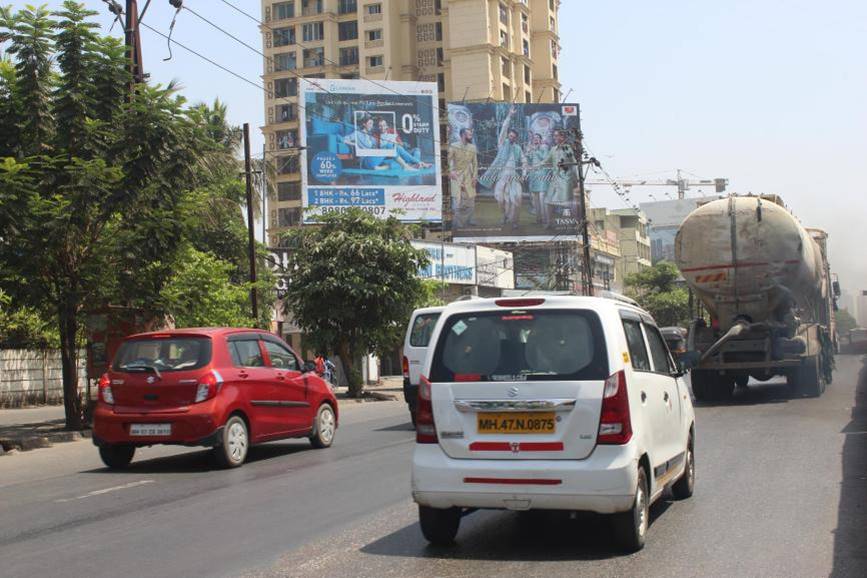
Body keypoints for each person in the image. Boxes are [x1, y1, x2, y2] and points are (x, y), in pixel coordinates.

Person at [479, 106, 527, 230]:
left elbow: (524, 161)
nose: (511, 138)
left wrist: (524, 174)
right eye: (510, 136)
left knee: (517, 198)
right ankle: (504, 215)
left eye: (513, 137)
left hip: (514, 178)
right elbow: (504, 128)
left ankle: (515, 221)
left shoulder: (518, 148)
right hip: (501, 176)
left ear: (516, 138)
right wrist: (509, 116)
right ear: (508, 136)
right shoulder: (502, 143)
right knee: (499, 197)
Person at [542, 129, 578, 227]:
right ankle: (549, 223)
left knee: (567, 202)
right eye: (554, 136)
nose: (555, 138)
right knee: (548, 201)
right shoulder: (553, 149)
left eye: (557, 136)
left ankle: (573, 223)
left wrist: (576, 179)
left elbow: (574, 162)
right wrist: (535, 166)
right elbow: (546, 161)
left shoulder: (567, 148)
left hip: (566, 178)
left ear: (563, 137)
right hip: (555, 178)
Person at [448, 127, 479, 228]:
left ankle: (467, 220)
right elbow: (447, 160)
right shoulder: (453, 146)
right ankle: (458, 224)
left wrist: (474, 177)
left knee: (471, 201)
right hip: (457, 176)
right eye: (469, 134)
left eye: (471, 134)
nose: (471, 136)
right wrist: (451, 171)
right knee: (457, 202)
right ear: (463, 135)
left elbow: (475, 163)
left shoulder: (473, 147)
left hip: (469, 176)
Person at [525, 133, 552, 224]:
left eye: (537, 138)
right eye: (534, 138)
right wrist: (528, 154)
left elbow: (545, 159)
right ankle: (538, 219)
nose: (535, 139)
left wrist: (536, 150)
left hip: (542, 174)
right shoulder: (532, 149)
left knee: (542, 197)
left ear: (540, 140)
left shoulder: (544, 148)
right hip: (533, 176)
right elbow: (529, 162)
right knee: (534, 198)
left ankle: (545, 219)